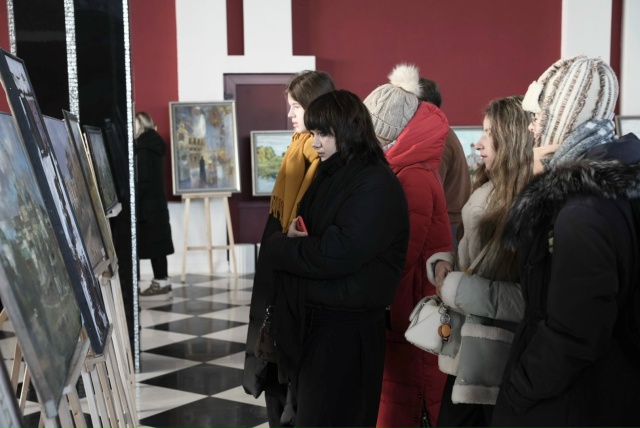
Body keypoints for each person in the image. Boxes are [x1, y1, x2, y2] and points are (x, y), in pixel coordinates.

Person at [492, 56, 640, 428]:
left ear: (565, 114)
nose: (531, 126)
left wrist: (520, 388)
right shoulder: (611, 178)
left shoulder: (581, 207)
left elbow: (576, 330)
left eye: (538, 114)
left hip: (569, 401)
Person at [260, 89, 410, 428]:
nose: (314, 142)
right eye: (313, 133)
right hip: (319, 321)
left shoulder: (374, 183)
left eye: (322, 134)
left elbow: (336, 253)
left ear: (347, 130)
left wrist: (278, 248)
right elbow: (312, 233)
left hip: (346, 331)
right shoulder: (334, 171)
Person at [425, 96, 533, 428]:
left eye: (490, 133)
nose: (479, 142)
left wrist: (459, 288)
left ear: (512, 138)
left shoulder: (528, 201)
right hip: (469, 351)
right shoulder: (488, 189)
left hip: (499, 358)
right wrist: (444, 264)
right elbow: (472, 259)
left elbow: (529, 299)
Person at [243, 70, 335, 428]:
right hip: (278, 272)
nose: (290, 114)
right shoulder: (297, 148)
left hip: (297, 278)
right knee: (273, 364)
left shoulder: (323, 158)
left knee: (292, 376)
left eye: (296, 106)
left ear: (316, 106)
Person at [363, 64, 451, 428]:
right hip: (402, 307)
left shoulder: (411, 174)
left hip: (410, 309)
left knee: (409, 400)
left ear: (388, 133)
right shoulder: (402, 168)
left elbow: (401, 254)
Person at [418, 77, 471, 248]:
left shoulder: (437, 138)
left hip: (445, 228)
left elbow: (426, 195)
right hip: (448, 225)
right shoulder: (442, 132)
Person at [135, 112, 175, 300]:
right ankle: (162, 282)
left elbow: (143, 181)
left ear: (140, 125)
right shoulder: (154, 144)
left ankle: (159, 285)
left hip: (146, 207)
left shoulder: (143, 148)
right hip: (157, 204)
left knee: (151, 246)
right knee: (158, 246)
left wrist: (133, 198)